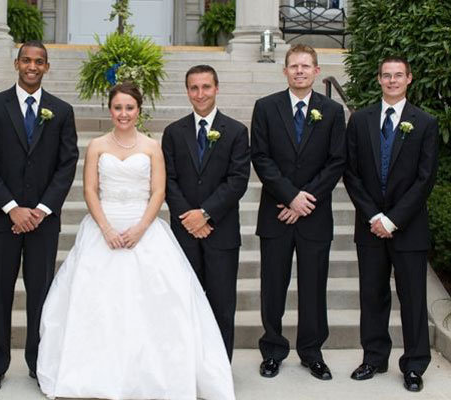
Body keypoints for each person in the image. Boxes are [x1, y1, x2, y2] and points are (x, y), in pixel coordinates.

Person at [36, 82, 235, 400]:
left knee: (156, 305)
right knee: (98, 306)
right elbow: (90, 190)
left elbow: (158, 191)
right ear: (110, 110)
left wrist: (142, 228)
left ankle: (151, 375)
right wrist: (106, 229)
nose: (123, 113)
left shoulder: (152, 146)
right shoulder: (97, 145)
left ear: (138, 110)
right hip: (105, 229)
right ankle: (95, 373)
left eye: (129, 107)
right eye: (118, 107)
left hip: (144, 229)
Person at [0, 41, 78, 393]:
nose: (32, 66)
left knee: (40, 295)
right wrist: (11, 207)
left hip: (43, 222)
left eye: (39, 62)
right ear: (16, 63)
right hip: (3, 220)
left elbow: (66, 165)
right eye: (27, 60)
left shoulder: (61, 111)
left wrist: (42, 209)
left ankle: (38, 363)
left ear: (47, 67)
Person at [250, 44, 346, 380]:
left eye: (306, 66)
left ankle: (311, 352)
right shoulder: (265, 108)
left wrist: (305, 200)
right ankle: (273, 350)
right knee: (273, 286)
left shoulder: (332, 111)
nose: (300, 71)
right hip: (276, 212)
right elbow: (260, 157)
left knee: (313, 286)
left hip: (315, 215)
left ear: (317, 71)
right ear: (285, 70)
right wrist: (290, 197)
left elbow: (336, 161)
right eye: (294, 66)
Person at [343, 56, 438, 392]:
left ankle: (414, 365)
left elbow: (425, 179)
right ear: (379, 79)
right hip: (370, 226)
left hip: (408, 227)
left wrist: (393, 219)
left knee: (412, 297)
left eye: (399, 75)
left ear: (409, 79)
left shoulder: (425, 123)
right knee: (372, 294)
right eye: (387, 75)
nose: (393, 80)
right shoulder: (360, 120)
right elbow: (351, 173)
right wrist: (373, 215)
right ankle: (374, 358)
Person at [162, 65, 251, 361]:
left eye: (206, 87)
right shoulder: (174, 132)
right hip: (185, 231)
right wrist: (189, 217)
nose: (200, 94)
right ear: (187, 91)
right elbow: (168, 180)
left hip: (221, 232)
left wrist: (206, 214)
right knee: (185, 303)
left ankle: (219, 366)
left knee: (222, 305)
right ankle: (188, 365)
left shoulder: (236, 131)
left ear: (216, 88)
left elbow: (237, 180)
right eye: (194, 88)